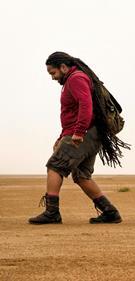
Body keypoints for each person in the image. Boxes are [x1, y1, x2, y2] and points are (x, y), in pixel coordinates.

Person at [28, 52, 129, 225]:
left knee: (55, 166)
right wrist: (62, 137)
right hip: (86, 133)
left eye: (53, 73)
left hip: (84, 133)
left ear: (63, 67)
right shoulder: (75, 79)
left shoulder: (76, 78)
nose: (52, 78)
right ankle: (110, 212)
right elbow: (72, 113)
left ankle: (52, 212)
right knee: (82, 176)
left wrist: (79, 132)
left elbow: (85, 105)